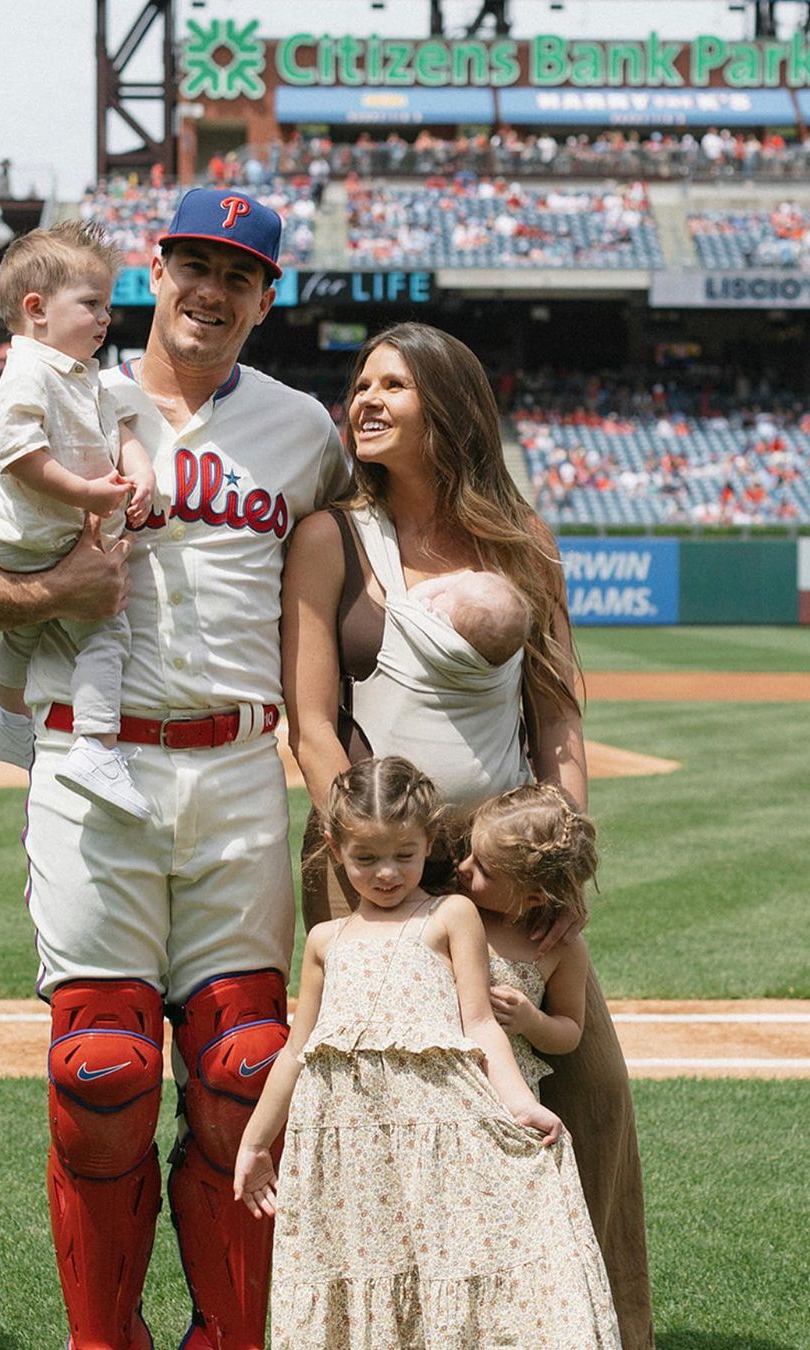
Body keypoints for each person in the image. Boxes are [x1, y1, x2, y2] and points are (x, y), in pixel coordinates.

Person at [0, 187, 349, 1350]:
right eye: (194, 266)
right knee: (101, 1073)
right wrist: (51, 592)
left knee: (241, 1070)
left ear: (266, 297)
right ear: (154, 273)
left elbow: (344, 590)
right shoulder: (67, 398)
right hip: (91, 764)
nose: (212, 291)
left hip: (234, 774)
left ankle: (229, 1336)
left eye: (240, 275)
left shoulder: (300, 433)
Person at [281, 322, 654, 1347]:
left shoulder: (521, 542)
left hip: (502, 871)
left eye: (391, 385)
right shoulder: (330, 539)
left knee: (589, 1085)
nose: (363, 399)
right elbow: (310, 721)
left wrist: (559, 847)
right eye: (359, 384)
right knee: (378, 1099)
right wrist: (369, 851)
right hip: (375, 861)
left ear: (445, 405)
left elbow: (558, 718)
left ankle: (603, 1323)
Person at [233, 757, 621, 1349]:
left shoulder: (450, 914)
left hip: (436, 1135)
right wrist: (257, 1142)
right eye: (366, 858)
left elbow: (481, 1025)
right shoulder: (323, 941)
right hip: (350, 1148)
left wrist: (519, 1104)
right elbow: (297, 1051)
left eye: (405, 856)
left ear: (429, 844)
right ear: (336, 849)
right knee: (367, 1276)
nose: (387, 873)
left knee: (442, 1273)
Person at [0, 219, 157, 822]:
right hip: (41, 539)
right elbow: (19, 452)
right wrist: (87, 493)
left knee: (22, 635)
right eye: (91, 304)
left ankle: (5, 722)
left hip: (49, 537)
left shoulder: (83, 376)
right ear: (37, 309)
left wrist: (141, 470)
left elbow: (120, 429)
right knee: (107, 632)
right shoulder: (28, 371)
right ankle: (96, 745)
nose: (106, 318)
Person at [457, 782, 597, 1096]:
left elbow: (570, 1030)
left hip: (505, 1092)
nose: (463, 867)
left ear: (534, 898)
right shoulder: (452, 908)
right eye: (469, 851)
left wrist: (531, 1021)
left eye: (483, 869)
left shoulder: (560, 947)